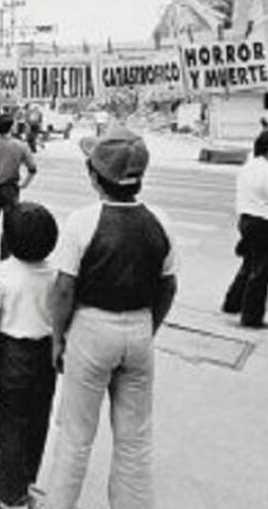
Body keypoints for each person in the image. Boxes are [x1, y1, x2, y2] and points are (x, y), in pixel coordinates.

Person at [48, 127, 179, 509]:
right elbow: (168, 287)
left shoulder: (82, 221)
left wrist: (58, 338)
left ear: (94, 176)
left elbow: (64, 290)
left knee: (75, 438)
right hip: (139, 329)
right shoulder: (161, 221)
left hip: (91, 329)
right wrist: (147, 329)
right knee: (134, 441)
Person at [0, 202, 59, 509]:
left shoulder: (0, 273)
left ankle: (10, 497)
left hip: (12, 354)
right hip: (45, 355)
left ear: (8, 239)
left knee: (10, 425)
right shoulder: (55, 274)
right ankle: (23, 483)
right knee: (37, 420)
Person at [222, 131, 268, 328]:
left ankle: (233, 303)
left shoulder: (248, 167)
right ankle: (252, 317)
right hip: (265, 225)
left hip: (246, 221)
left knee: (249, 265)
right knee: (262, 273)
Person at [0, 114, 37, 268]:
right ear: (11, 127)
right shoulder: (20, 146)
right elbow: (32, 168)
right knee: (9, 226)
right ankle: (5, 260)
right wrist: (24, 184)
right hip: (11, 189)